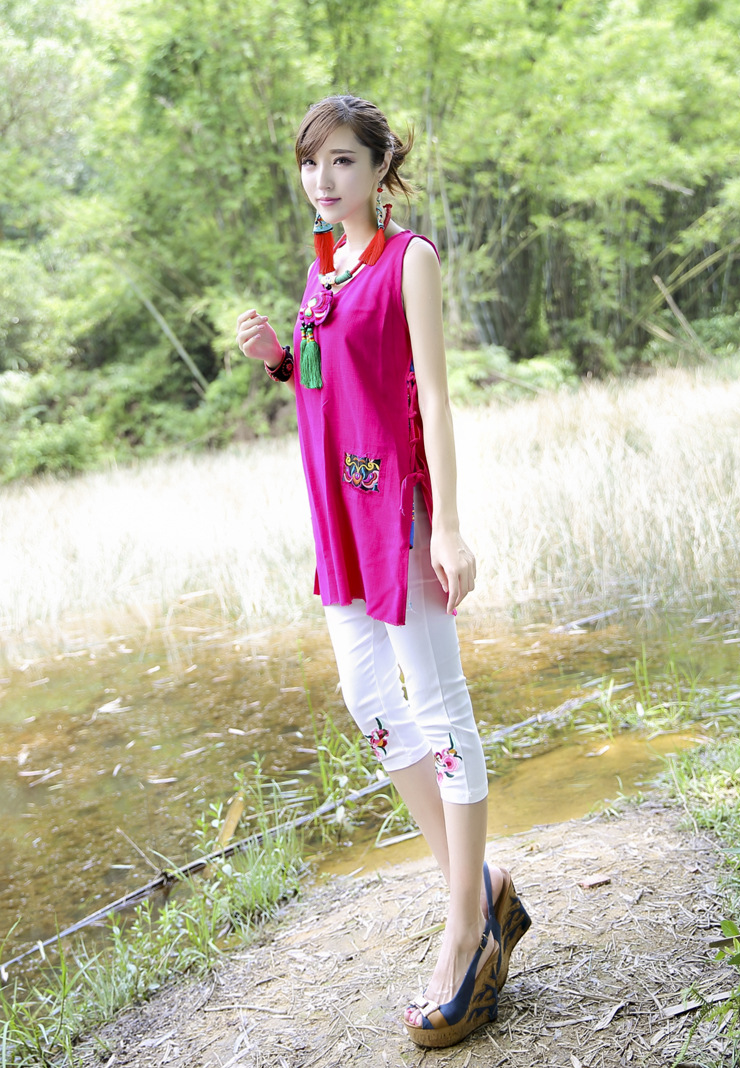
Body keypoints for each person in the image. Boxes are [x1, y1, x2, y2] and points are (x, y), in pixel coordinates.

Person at [236, 94, 530, 1048]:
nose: (323, 180)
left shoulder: (411, 259)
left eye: (342, 161)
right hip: (339, 520)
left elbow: (432, 398)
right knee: (369, 700)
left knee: (439, 708)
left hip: (398, 510)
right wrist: (282, 361)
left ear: (377, 169)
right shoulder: (323, 263)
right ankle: (475, 884)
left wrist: (450, 528)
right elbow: (335, 382)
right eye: (311, 163)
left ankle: (463, 929)